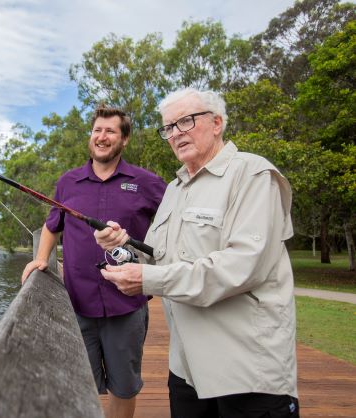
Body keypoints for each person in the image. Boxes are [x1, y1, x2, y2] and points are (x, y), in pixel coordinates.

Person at [94, 88, 299, 417]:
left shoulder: (254, 175)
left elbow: (240, 267)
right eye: (168, 128)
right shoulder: (175, 189)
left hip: (247, 369)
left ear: (216, 123)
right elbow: (160, 256)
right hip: (186, 369)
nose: (175, 134)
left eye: (185, 121)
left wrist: (150, 279)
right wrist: (122, 249)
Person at [21, 105, 166, 418]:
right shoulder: (68, 182)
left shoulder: (147, 182)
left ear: (124, 139)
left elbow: (174, 220)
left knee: (124, 387)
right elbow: (51, 225)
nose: (102, 137)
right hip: (78, 306)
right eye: (98, 130)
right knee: (79, 385)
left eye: (110, 131)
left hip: (127, 305)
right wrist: (40, 260)